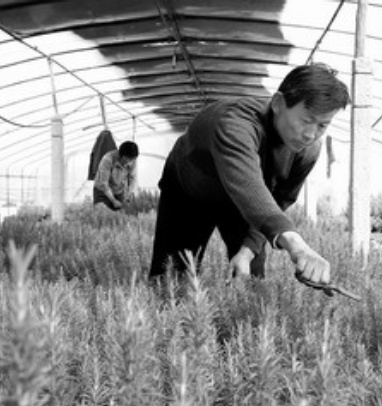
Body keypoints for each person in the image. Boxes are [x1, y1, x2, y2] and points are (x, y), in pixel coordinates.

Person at [149, 63, 350, 288]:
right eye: (306, 120)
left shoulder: (307, 150)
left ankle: (242, 306)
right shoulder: (235, 124)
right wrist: (298, 246)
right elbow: (248, 186)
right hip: (191, 190)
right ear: (278, 103)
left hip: (245, 203)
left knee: (252, 274)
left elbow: (277, 200)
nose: (311, 135)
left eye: (322, 125)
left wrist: (248, 250)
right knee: (172, 274)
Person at [93, 141, 139, 211]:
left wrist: (128, 194)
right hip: (102, 191)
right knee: (102, 212)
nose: (130, 163)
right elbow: (104, 183)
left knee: (120, 213)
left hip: (119, 190)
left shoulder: (132, 160)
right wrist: (113, 200)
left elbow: (132, 178)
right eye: (128, 159)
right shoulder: (108, 159)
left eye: (132, 159)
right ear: (122, 155)